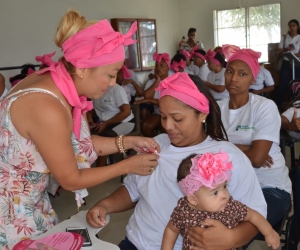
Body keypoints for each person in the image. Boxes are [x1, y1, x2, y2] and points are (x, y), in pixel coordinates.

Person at [0, 9, 160, 249]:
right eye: (110, 74)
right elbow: (71, 179)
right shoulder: (47, 106)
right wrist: (128, 166)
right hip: (12, 211)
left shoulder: (55, 84)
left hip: (28, 201)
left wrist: (127, 142)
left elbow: (70, 145)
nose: (114, 83)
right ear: (84, 68)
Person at [87, 72, 267, 250]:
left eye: (177, 118)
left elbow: (255, 213)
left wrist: (233, 238)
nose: (167, 126)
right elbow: (133, 189)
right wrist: (104, 205)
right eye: (163, 117)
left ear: (202, 114)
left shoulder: (228, 156)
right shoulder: (155, 145)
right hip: (136, 242)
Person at [217, 44, 291, 237]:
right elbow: (203, 148)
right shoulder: (216, 109)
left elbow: (257, 159)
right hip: (228, 186)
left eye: (242, 74)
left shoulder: (264, 107)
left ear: (253, 78)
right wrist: (245, 148)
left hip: (268, 186)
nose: (233, 78)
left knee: (230, 233)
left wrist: (222, 147)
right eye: (230, 72)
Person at [161, 152, 280, 250]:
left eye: (224, 186)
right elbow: (171, 229)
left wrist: (269, 233)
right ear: (193, 199)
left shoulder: (229, 207)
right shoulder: (183, 211)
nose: (224, 195)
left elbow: (253, 216)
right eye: (215, 193)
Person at [135, 52, 170, 136]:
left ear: (168, 68)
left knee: (165, 127)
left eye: (162, 65)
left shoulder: (172, 82)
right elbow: (147, 95)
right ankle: (154, 146)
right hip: (158, 114)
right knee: (145, 126)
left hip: (170, 114)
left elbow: (165, 103)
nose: (158, 68)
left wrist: (148, 100)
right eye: (157, 65)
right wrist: (157, 80)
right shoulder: (152, 81)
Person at [276, 19, 300, 110]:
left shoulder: (299, 38)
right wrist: (286, 50)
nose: (292, 27)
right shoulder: (285, 38)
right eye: (290, 26)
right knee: (282, 86)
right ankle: (277, 108)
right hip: (286, 64)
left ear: (297, 27)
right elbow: (278, 53)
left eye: (294, 25)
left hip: (297, 64)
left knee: (297, 85)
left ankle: (296, 108)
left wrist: (293, 55)